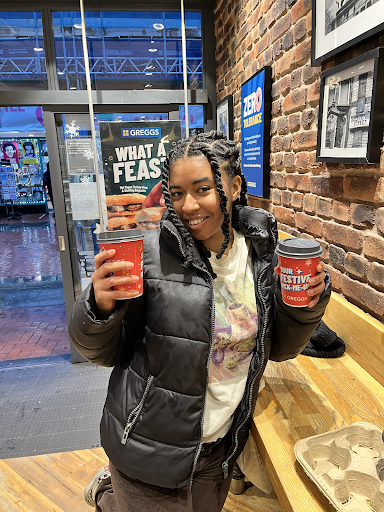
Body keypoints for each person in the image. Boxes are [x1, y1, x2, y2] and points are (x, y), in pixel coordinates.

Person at [69, 131, 330, 512]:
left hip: (219, 449)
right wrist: (98, 306)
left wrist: (306, 306)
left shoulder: (262, 256)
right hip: (148, 449)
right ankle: (110, 494)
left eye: (202, 189)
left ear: (235, 186)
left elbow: (283, 348)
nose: (188, 206)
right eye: (176, 193)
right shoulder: (148, 259)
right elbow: (101, 351)